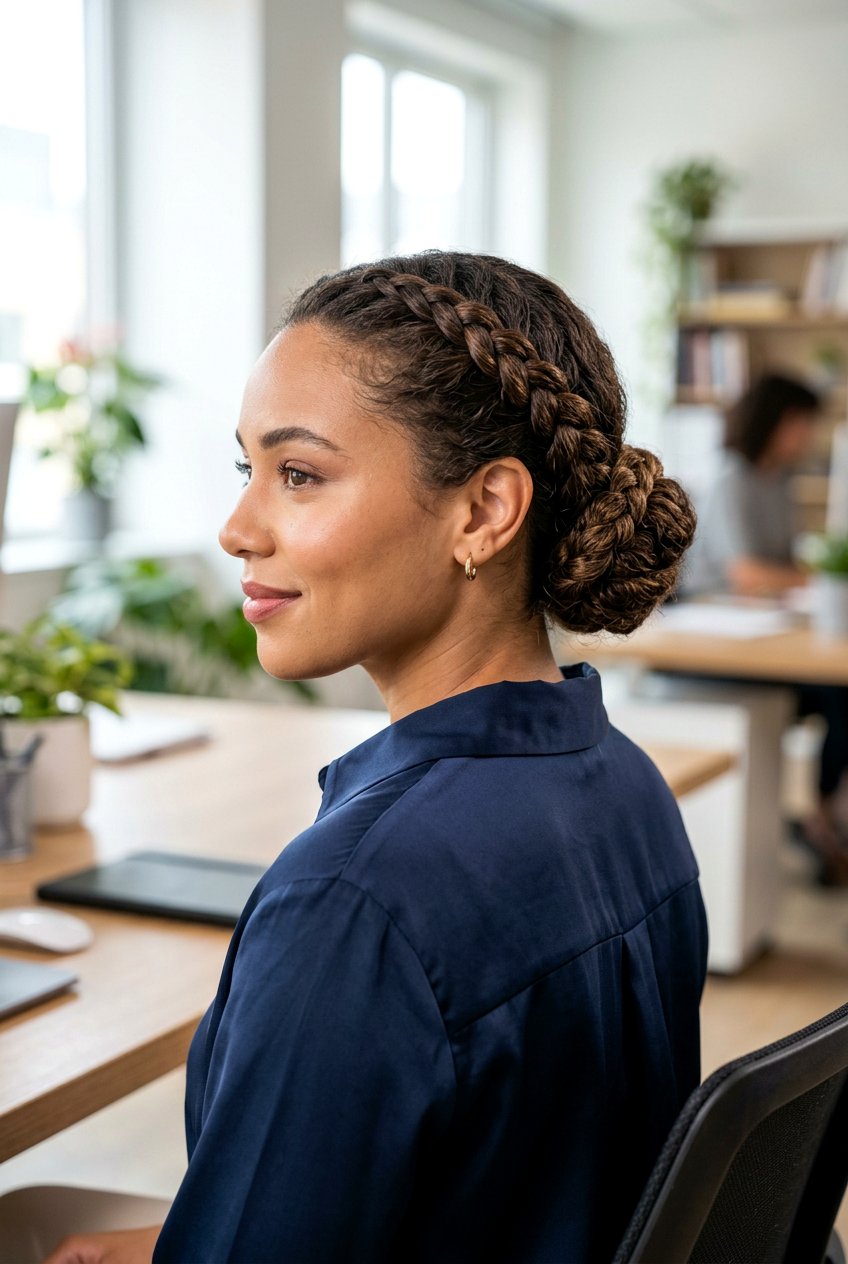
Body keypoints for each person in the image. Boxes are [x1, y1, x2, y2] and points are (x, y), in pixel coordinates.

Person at [43, 252, 706, 1264]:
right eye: (247, 469)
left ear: (482, 511)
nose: (236, 529)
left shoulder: (357, 903)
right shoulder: (627, 786)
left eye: (299, 474)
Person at [685, 372, 848, 878]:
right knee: (837, 696)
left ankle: (821, 815)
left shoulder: (780, 483)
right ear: (777, 422)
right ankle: (820, 821)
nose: (808, 437)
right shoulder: (733, 477)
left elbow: (789, 563)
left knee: (841, 695)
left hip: (767, 630)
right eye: (803, 424)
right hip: (718, 638)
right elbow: (747, 572)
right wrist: (810, 579)